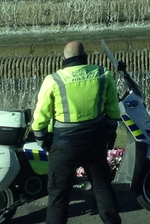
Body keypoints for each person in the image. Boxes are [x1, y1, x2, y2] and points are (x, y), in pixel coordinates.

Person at [32, 41, 121, 224]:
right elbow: (113, 113)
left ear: (63, 59)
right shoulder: (103, 74)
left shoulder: (53, 80)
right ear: (86, 57)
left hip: (63, 148)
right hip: (95, 144)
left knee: (58, 197)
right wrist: (106, 136)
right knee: (103, 188)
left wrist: (48, 145)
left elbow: (39, 122)